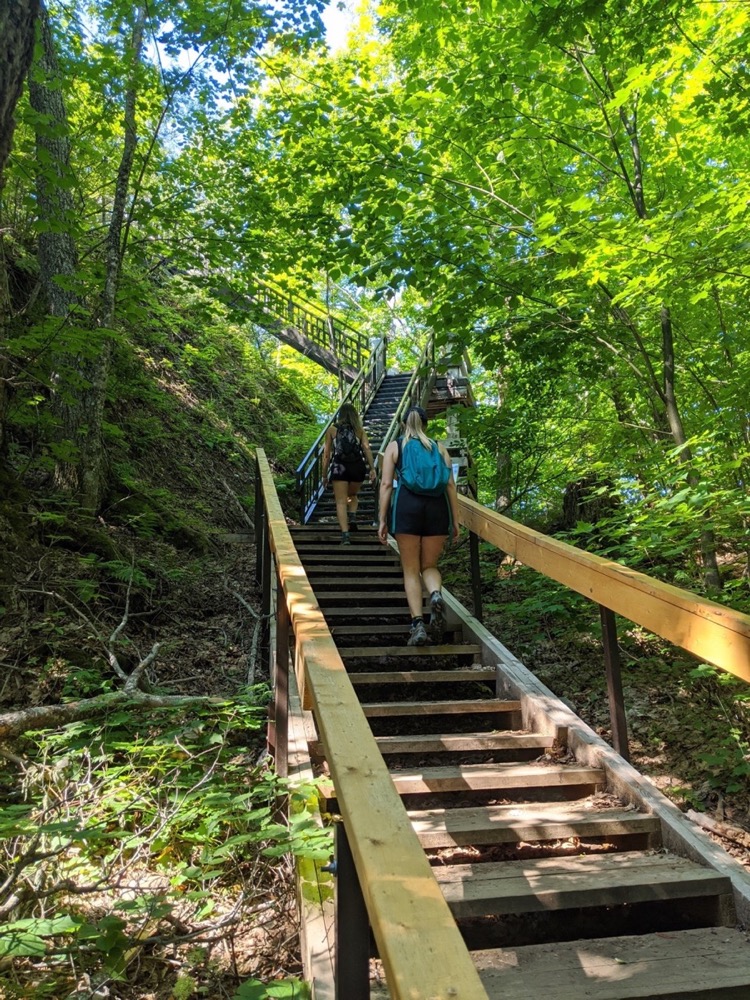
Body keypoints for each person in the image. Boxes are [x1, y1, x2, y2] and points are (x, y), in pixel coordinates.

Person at [378, 406, 460, 645]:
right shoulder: (439, 448)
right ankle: (435, 594)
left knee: (411, 570)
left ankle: (418, 625)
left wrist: (382, 519)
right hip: (437, 510)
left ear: (404, 424)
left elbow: (385, 485)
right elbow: (450, 487)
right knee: (430, 565)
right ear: (425, 424)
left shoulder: (396, 446)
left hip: (407, 508)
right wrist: (455, 520)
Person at [323, 402, 377, 545]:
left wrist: (324, 475)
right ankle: (352, 515)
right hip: (357, 467)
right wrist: (372, 468)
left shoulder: (332, 430)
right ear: (354, 415)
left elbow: (327, 454)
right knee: (352, 495)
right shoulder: (359, 430)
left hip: (339, 467)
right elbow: (367, 449)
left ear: (340, 414)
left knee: (341, 501)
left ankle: (345, 535)